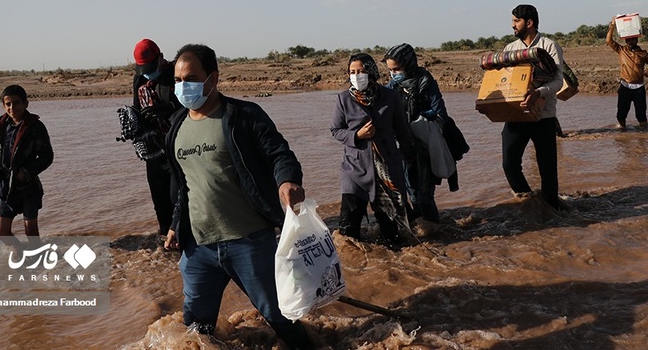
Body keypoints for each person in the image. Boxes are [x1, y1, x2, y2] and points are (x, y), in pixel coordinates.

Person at [163, 44, 311, 348]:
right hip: (199, 250)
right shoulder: (176, 127)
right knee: (195, 330)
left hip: (249, 242)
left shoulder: (242, 116)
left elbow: (279, 153)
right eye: (177, 80)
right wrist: (175, 224)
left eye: (190, 78)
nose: (182, 87)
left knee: (278, 315)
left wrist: (287, 181)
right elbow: (185, 186)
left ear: (213, 78)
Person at [331, 53, 414, 243]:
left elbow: (403, 130)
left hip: (386, 168)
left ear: (371, 71)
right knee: (348, 229)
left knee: (391, 231)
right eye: (352, 72)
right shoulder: (344, 99)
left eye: (361, 71)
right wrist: (356, 135)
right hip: (355, 168)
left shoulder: (390, 97)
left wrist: (409, 156)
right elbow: (336, 130)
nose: (356, 75)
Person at [500, 4, 565, 209]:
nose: (512, 26)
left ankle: (552, 208)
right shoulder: (510, 49)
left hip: (543, 116)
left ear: (529, 23)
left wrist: (537, 92)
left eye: (515, 21)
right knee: (509, 163)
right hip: (517, 114)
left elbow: (557, 81)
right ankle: (529, 202)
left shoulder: (549, 46)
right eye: (512, 21)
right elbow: (503, 81)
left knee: (547, 168)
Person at [382, 43, 449, 223]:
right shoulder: (391, 88)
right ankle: (425, 232)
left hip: (426, 147)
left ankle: (437, 230)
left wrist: (423, 119)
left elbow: (441, 113)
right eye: (390, 70)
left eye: (397, 69)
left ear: (409, 64)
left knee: (425, 194)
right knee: (410, 192)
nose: (393, 73)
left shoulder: (426, 82)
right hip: (404, 149)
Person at [0, 85, 54, 238]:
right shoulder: (2, 125)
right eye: (8, 104)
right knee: (1, 232)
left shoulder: (36, 127)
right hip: (6, 187)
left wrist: (26, 173)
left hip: (28, 187)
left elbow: (47, 156)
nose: (12, 107)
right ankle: (21, 254)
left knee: (30, 231)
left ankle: (37, 259)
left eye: (16, 103)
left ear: (25, 104)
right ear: (4, 106)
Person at [132, 38, 182, 235]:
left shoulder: (176, 75)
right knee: (159, 201)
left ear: (161, 58)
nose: (147, 73)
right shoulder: (140, 79)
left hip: (177, 148)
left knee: (177, 198)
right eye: (143, 69)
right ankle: (166, 242)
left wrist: (167, 109)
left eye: (150, 67)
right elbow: (137, 108)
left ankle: (183, 238)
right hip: (154, 151)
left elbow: (189, 109)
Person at [607, 17, 648, 129]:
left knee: (641, 116)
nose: (630, 42)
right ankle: (622, 138)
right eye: (628, 40)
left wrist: (647, 73)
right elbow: (609, 41)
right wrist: (612, 25)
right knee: (621, 115)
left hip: (639, 88)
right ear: (626, 41)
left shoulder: (643, 54)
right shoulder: (621, 50)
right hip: (625, 86)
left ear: (637, 40)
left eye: (633, 40)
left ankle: (644, 140)